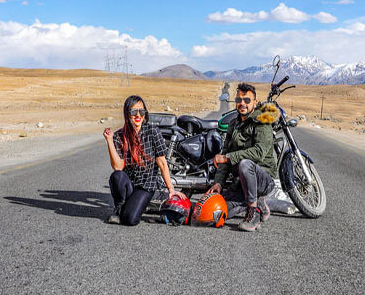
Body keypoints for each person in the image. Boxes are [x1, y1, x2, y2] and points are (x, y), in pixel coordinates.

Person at [103, 95, 187, 225]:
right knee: (117, 176)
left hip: (146, 185)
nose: (138, 115)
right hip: (129, 183)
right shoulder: (120, 136)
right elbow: (118, 167)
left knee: (130, 220)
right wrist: (109, 141)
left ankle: (130, 208)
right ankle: (119, 209)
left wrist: (171, 189)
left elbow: (162, 163)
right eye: (133, 111)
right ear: (127, 114)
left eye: (142, 111)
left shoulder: (153, 132)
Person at [206, 82, 278, 232]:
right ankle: (256, 202)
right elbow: (225, 154)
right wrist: (218, 183)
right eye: (239, 100)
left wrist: (228, 157)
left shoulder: (262, 121)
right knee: (214, 213)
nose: (242, 104)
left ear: (255, 103)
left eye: (247, 100)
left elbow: (259, 152)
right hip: (241, 182)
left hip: (263, 179)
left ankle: (253, 212)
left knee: (245, 164)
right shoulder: (233, 124)